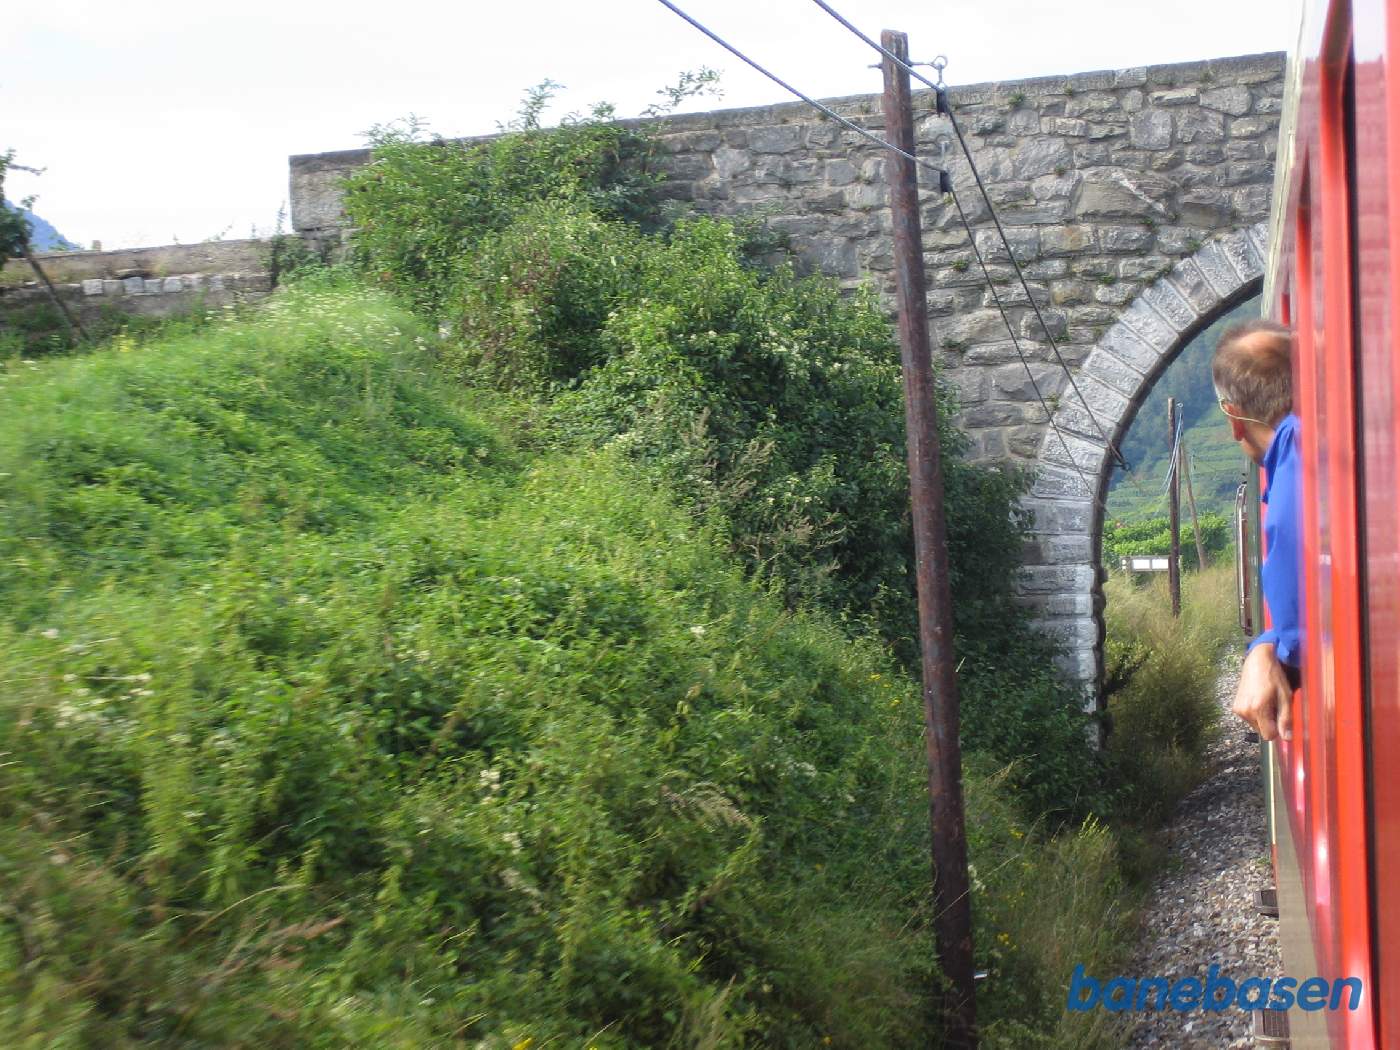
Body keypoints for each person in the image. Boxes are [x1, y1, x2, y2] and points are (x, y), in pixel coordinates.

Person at [1211, 318, 1300, 743]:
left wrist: (1267, 650)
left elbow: (1303, 639)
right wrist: (1266, 643)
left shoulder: (1293, 467)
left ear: (1233, 417)